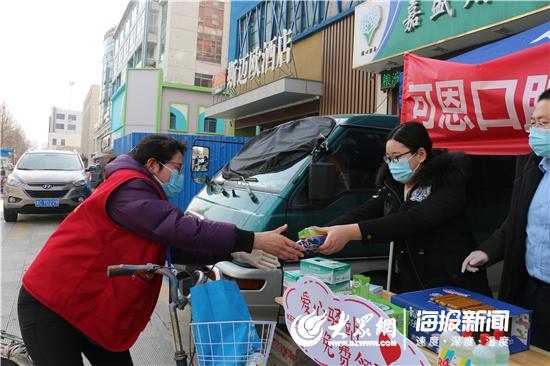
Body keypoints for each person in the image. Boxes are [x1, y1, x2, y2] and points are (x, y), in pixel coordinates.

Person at [17, 135, 304, 365]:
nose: (180, 175)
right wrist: (250, 240)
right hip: (51, 305)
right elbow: (177, 228)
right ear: (153, 165)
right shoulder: (127, 188)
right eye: (177, 168)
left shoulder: (143, 193)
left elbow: (171, 248)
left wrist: (231, 253)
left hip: (88, 307)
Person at [314, 122, 491, 295]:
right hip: (413, 283)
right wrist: (326, 231)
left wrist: (351, 232)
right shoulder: (395, 185)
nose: (392, 164)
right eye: (388, 158)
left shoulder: (447, 182)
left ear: (420, 154)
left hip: (453, 283)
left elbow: (414, 220)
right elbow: (365, 211)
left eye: (397, 157)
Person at [462, 89, 550, 351]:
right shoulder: (533, 167)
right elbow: (515, 222)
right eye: (533, 123)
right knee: (522, 353)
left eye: (543, 123)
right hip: (528, 287)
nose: (535, 130)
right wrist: (487, 252)